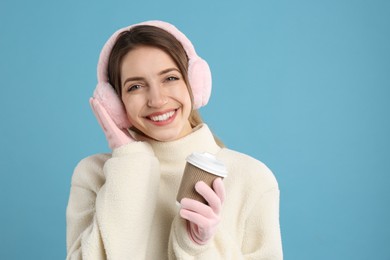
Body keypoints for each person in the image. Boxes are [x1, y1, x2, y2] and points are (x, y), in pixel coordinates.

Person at [66, 20, 283, 259]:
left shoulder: (252, 178)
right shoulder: (93, 175)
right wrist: (130, 164)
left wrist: (198, 247)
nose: (157, 100)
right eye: (136, 86)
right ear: (116, 104)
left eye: (169, 78)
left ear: (193, 82)